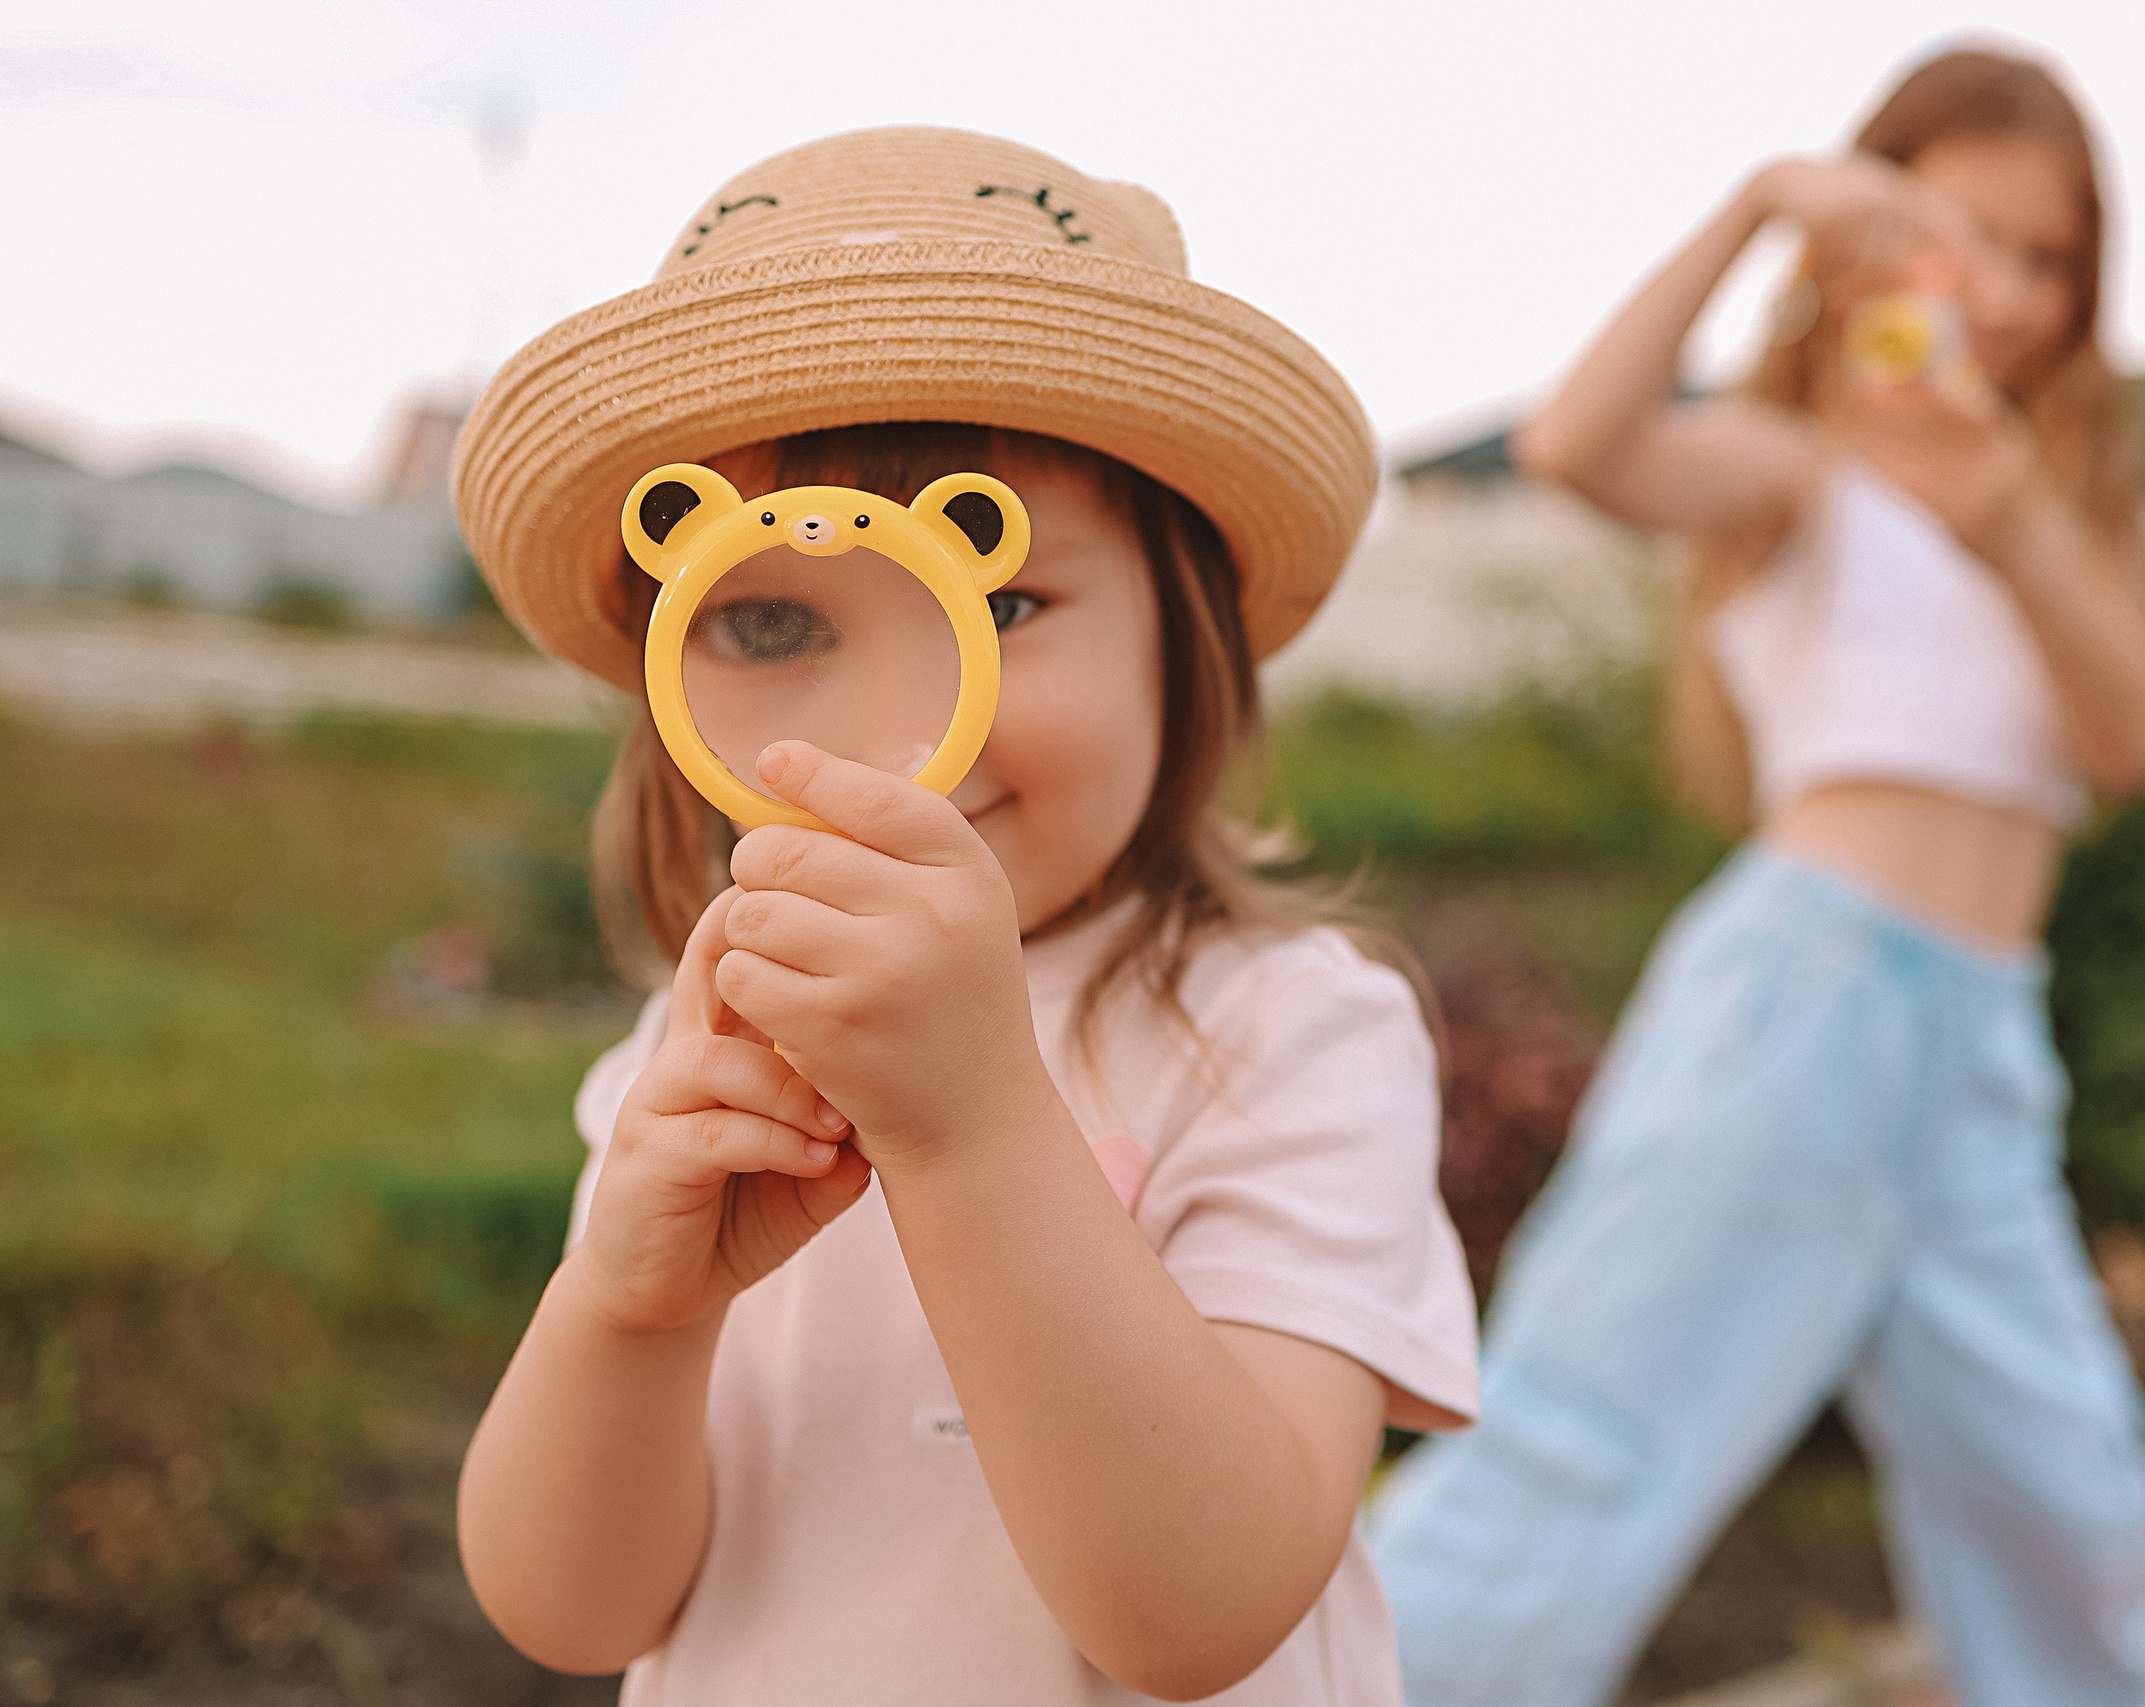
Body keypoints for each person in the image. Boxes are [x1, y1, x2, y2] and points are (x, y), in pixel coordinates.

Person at [449, 127, 1477, 1705]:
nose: (894, 727)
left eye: (997, 604)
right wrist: (630, 1313)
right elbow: (575, 1613)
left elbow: (1203, 1617)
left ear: (1184, 636)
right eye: (768, 623)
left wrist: (976, 1126)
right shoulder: (701, 1051)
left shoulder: (1286, 1033)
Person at [1370, 48, 2145, 1707]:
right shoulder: (1800, 470)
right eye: (1967, 240)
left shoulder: (2046, 504)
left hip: (1980, 1042)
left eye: (2050, 258)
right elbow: (1575, 443)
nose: (2011, 295)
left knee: (2069, 1503)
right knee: (1573, 1459)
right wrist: (1759, 203)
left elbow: (2137, 741)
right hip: (1807, 999)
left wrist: (2009, 515)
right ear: (1873, 242)